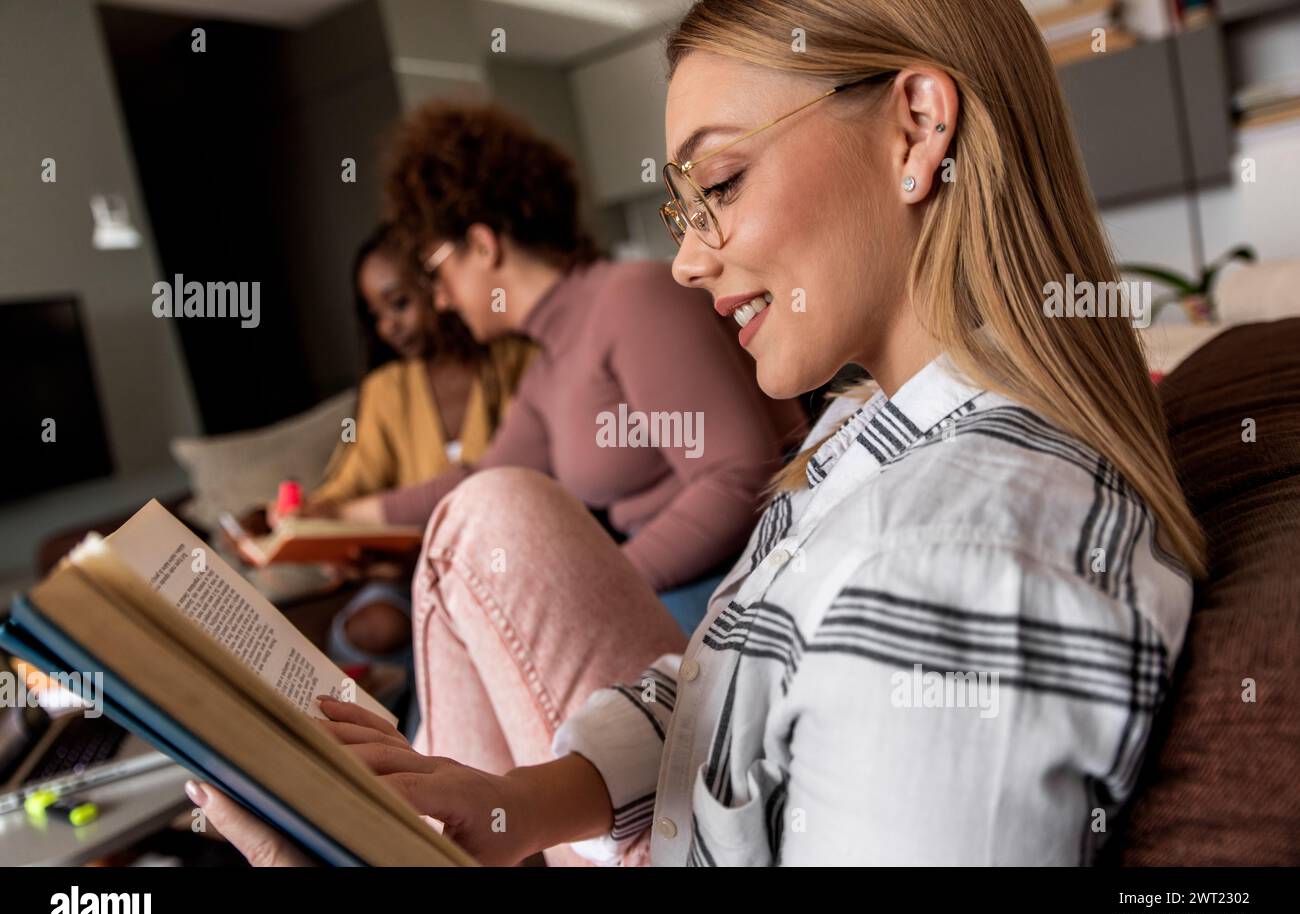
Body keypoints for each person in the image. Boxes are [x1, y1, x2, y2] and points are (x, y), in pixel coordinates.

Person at [191, 0, 1204, 867]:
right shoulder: (867, 432)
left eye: (719, 184)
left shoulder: (951, 567)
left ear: (915, 130)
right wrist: (514, 802)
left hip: (677, 612)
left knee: (485, 521)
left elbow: (732, 490)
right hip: (654, 766)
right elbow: (733, 682)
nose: (686, 261)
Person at [314, 102, 807, 636]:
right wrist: (341, 516)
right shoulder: (548, 365)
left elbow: (735, 479)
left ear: (482, 246)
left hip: (732, 578)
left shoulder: (629, 298)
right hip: (664, 583)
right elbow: (482, 483)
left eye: (438, 271)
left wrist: (592, 589)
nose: (440, 300)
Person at [238, 223, 533, 663]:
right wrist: (290, 520)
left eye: (399, 303)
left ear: (441, 286)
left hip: (505, 564)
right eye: (375, 314)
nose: (387, 327)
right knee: (375, 626)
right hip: (411, 571)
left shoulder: (516, 363)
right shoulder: (387, 389)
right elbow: (348, 488)